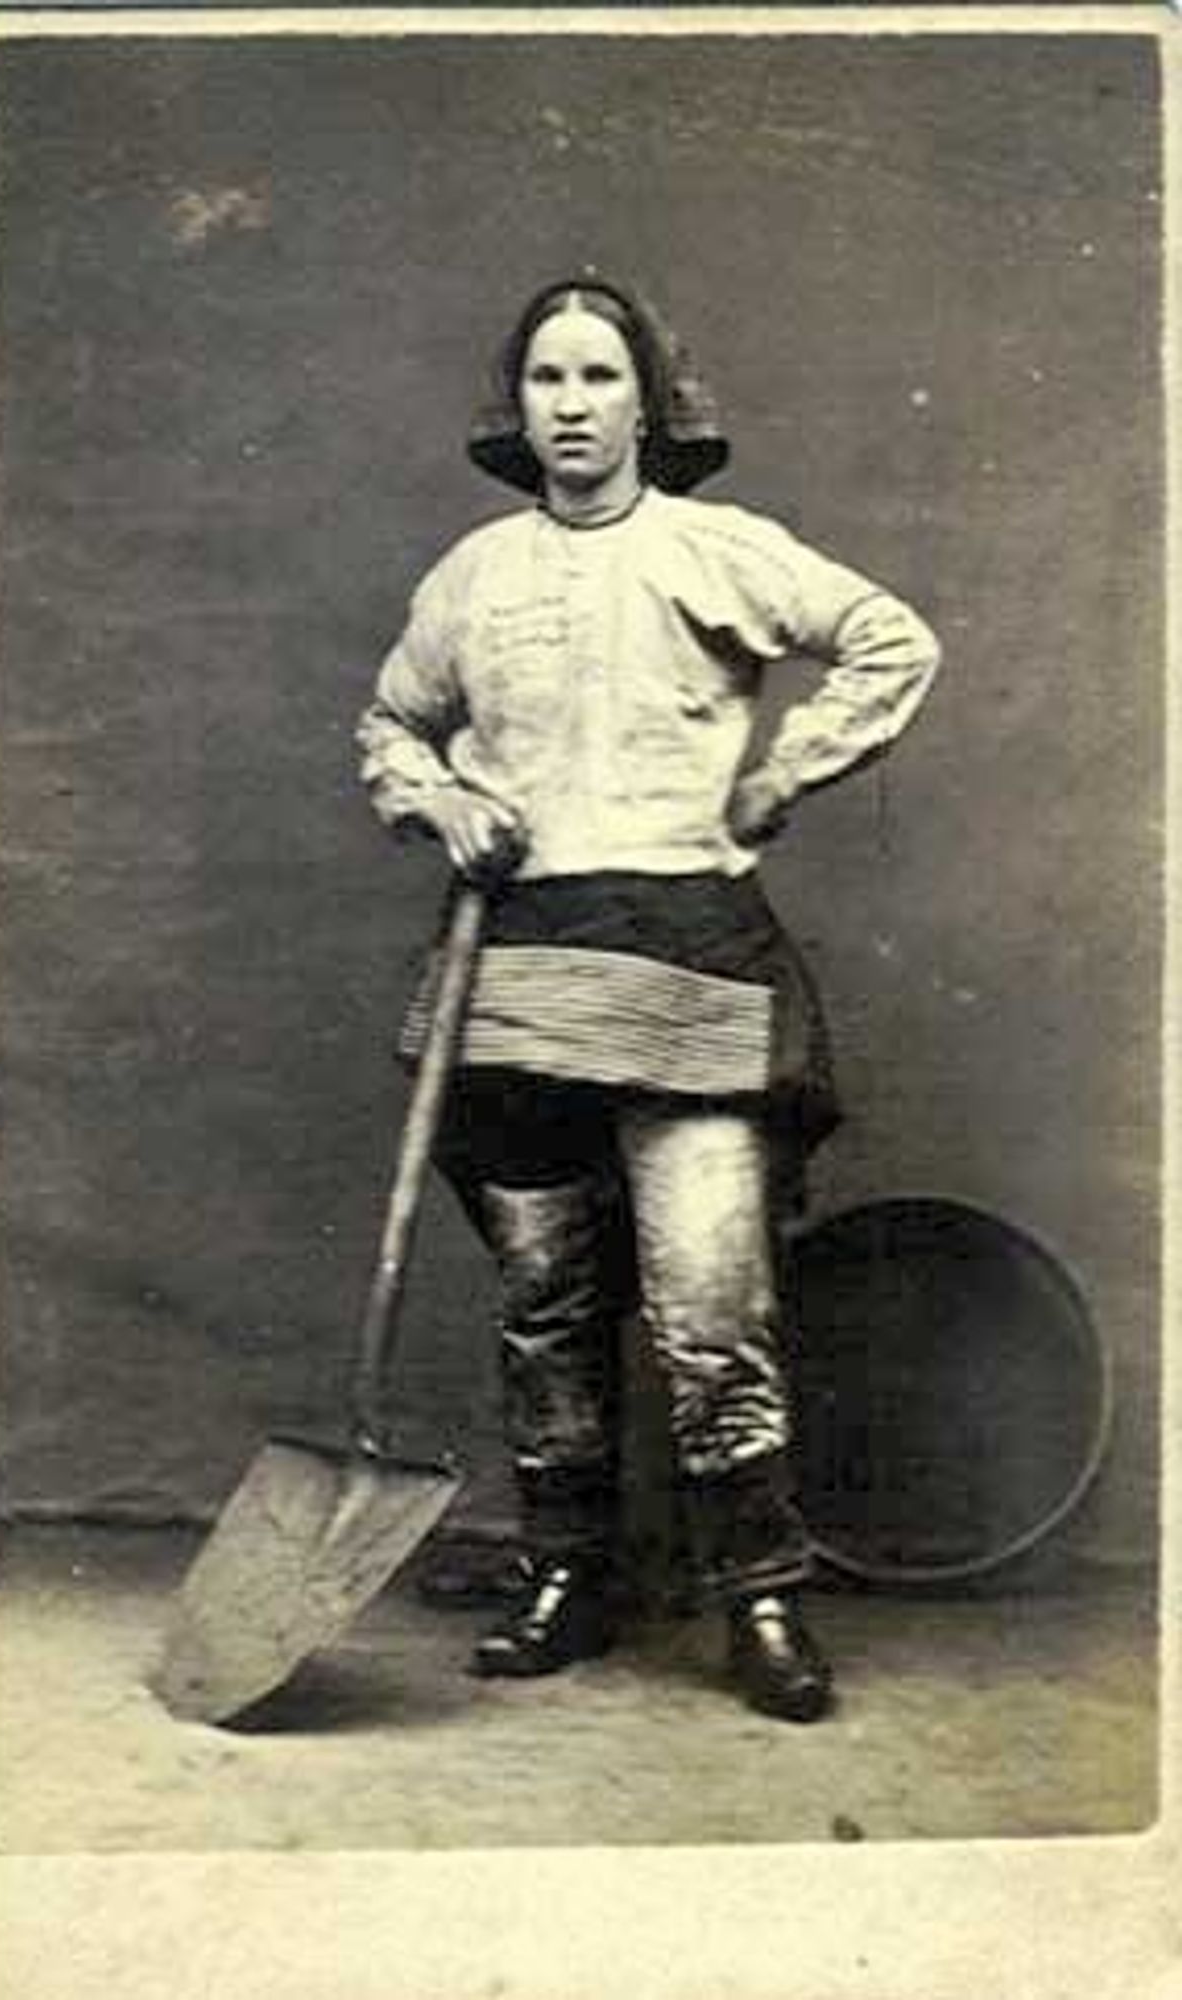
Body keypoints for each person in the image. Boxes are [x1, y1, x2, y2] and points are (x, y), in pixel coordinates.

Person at [355, 273, 940, 1722]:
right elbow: (389, 721)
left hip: (686, 956)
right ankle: (566, 1569)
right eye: (546, 379)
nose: (571, 407)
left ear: (649, 403)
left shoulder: (716, 550)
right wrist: (437, 798)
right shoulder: (473, 574)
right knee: (546, 1298)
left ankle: (756, 1591)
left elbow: (890, 640)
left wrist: (783, 766)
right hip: (522, 972)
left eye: (598, 378)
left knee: (707, 1301)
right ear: (518, 406)